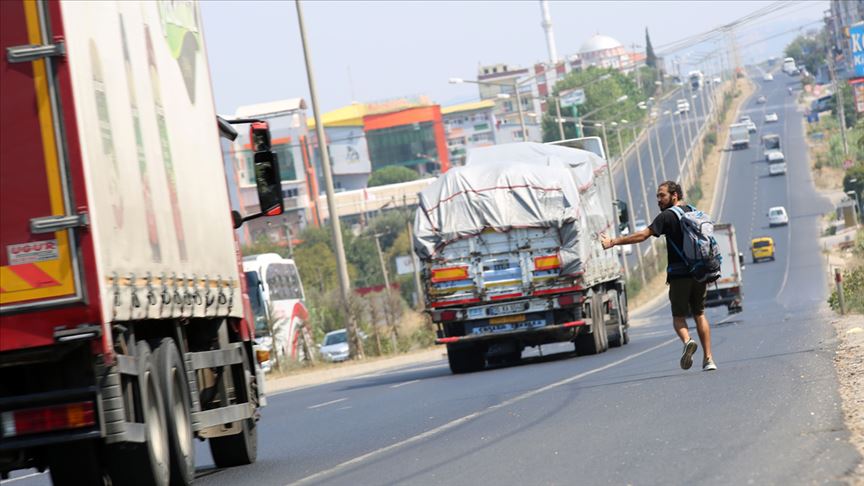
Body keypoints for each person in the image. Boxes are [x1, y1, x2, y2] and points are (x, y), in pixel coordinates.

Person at [600, 181, 717, 372]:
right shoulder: (694, 211)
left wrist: (613, 242)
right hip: (699, 273)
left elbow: (642, 236)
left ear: (674, 196)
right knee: (699, 314)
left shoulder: (667, 217)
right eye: (657, 196)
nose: (658, 200)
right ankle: (709, 359)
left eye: (662, 195)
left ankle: (688, 341)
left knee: (678, 317)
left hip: (679, 275)